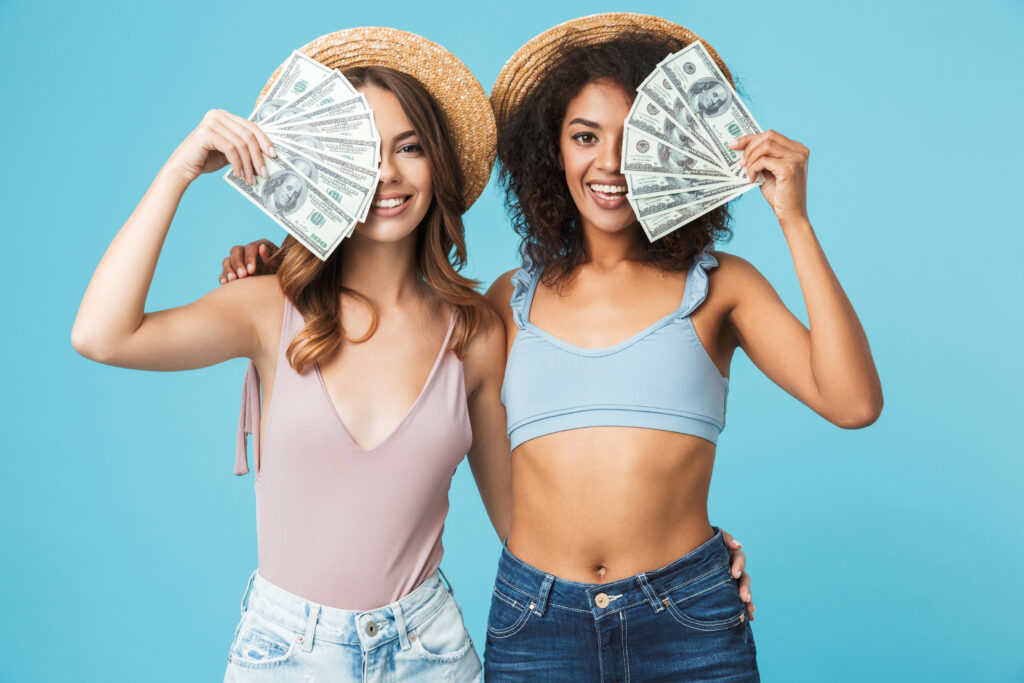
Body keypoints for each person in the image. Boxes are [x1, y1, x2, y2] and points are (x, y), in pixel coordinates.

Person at [72, 27, 511, 682]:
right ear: (324, 167)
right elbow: (102, 335)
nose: (387, 173)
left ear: (437, 165)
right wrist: (180, 169)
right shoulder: (265, 305)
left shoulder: (475, 333)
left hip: (431, 651)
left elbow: (524, 527)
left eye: (410, 148)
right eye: (361, 152)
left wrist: (687, 557)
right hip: (287, 653)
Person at [481, 13, 882, 681]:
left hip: (686, 618)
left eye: (635, 139)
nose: (609, 163)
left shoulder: (721, 287)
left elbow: (854, 401)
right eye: (585, 136)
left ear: (675, 148)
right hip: (535, 625)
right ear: (553, 150)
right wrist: (275, 271)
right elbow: (393, 342)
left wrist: (794, 219)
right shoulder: (507, 299)